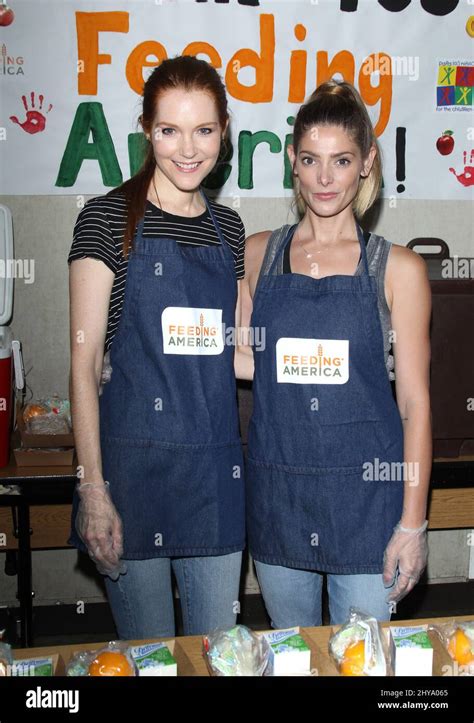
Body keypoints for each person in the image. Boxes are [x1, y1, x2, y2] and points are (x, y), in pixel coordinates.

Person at [237, 80, 432, 626]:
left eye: (341, 160)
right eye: (310, 160)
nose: (324, 178)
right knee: (294, 658)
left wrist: (413, 524)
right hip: (280, 498)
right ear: (292, 164)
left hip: (369, 507)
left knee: (366, 664)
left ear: (367, 163)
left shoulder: (399, 269)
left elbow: (415, 405)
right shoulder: (257, 254)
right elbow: (248, 360)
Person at [67, 55, 246, 639]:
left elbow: (239, 353)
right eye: (169, 130)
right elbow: (84, 362)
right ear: (147, 129)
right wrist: (92, 487)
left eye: (204, 130)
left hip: (215, 476)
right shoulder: (105, 218)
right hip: (132, 478)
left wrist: (345, 359)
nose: (187, 149)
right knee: (149, 656)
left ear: (225, 131)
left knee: (219, 655)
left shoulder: (230, 231)